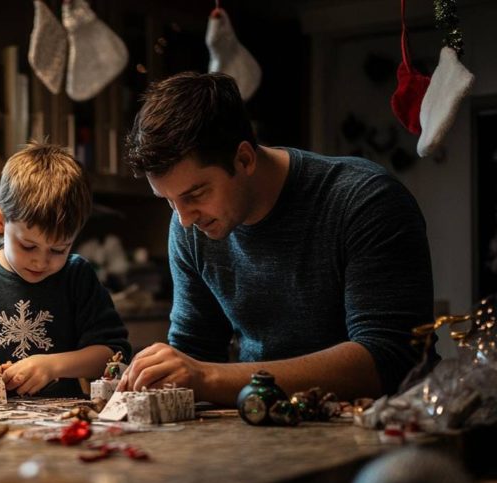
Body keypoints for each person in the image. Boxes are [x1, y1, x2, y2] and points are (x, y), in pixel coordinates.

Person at [120, 72, 436, 404]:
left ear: (244, 159)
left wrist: (207, 377)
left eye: (196, 193)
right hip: (261, 422)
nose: (184, 219)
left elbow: (389, 360)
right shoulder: (190, 227)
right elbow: (195, 349)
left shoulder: (364, 201)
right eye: (169, 201)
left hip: (383, 428)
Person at [0, 143, 131, 398]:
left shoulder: (77, 275)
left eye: (58, 250)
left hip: (65, 421)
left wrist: (52, 365)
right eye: (28, 246)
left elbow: (113, 354)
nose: (40, 262)